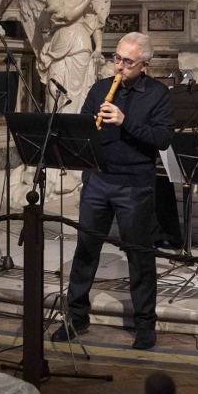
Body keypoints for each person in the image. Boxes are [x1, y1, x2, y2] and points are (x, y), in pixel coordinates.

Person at [52, 32, 175, 350]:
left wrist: (124, 121)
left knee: (140, 256)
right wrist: (88, 125)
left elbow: (162, 138)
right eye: (117, 58)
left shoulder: (158, 94)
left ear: (144, 65)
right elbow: (80, 127)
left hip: (135, 185)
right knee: (86, 250)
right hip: (97, 180)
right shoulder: (99, 89)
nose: (119, 66)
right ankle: (76, 316)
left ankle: (145, 324)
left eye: (127, 61)